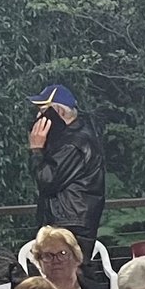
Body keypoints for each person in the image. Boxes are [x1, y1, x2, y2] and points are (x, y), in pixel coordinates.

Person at [29, 83, 105, 238]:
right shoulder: (70, 137)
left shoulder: (73, 144)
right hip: (68, 223)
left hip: (69, 225)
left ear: (59, 112)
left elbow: (47, 180)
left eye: (43, 111)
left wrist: (36, 150)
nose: (38, 117)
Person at [25, 225, 115, 289]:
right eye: (48, 255)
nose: (56, 260)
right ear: (39, 262)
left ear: (77, 258)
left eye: (63, 253)